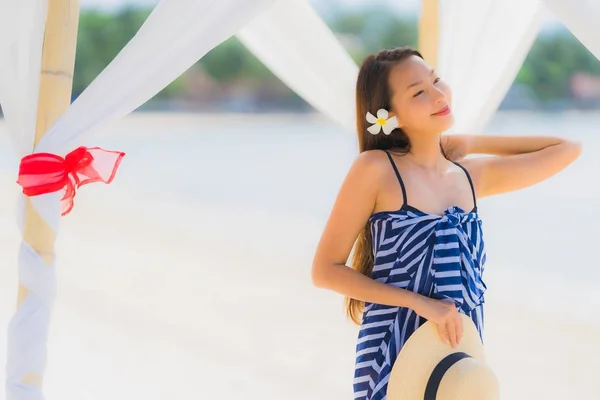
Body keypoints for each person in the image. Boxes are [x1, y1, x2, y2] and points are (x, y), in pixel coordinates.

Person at [310, 46, 581, 400]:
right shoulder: (375, 169)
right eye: (419, 92)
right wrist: (419, 303)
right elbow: (325, 270)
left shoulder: (470, 176)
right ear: (390, 115)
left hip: (458, 360)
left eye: (436, 80)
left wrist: (470, 141)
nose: (439, 94)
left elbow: (567, 148)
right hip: (394, 349)